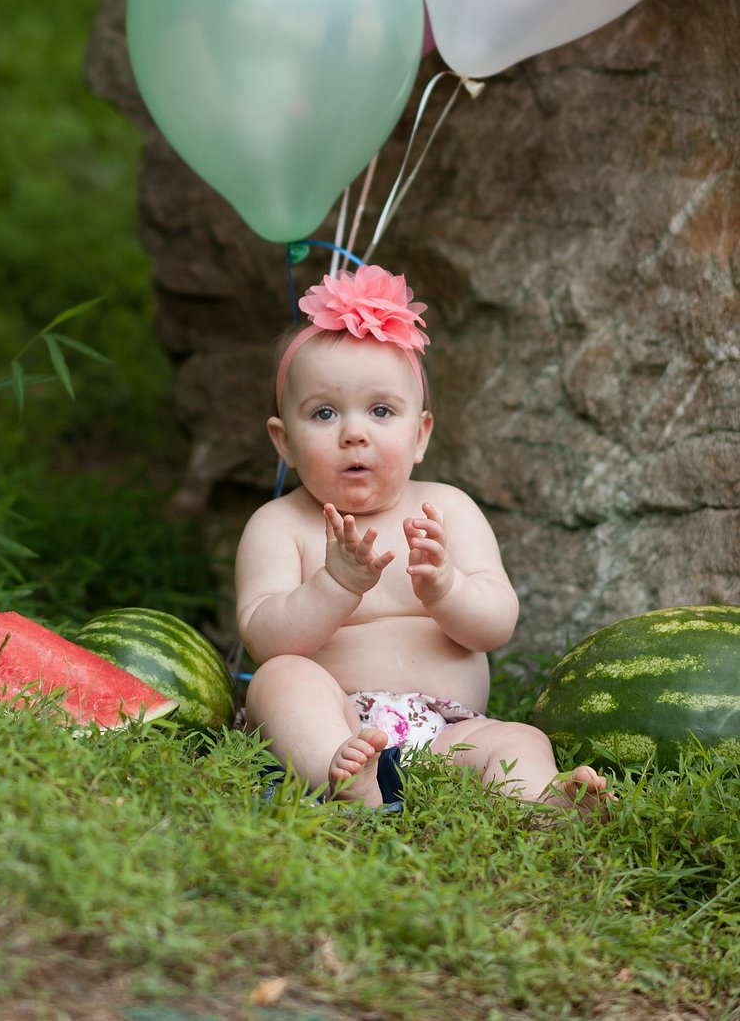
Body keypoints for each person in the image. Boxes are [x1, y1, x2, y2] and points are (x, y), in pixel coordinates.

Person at [235, 262, 614, 816]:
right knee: (279, 680)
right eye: (323, 413)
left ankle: (541, 802)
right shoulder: (279, 525)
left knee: (519, 741)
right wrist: (334, 587)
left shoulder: (450, 510)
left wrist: (446, 590)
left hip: (447, 731)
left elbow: (495, 624)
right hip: (335, 717)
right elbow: (266, 639)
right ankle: (343, 774)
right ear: (283, 441)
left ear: (421, 434)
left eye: (381, 410)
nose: (355, 432)